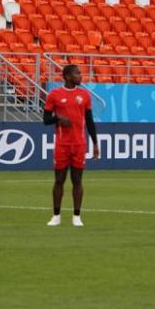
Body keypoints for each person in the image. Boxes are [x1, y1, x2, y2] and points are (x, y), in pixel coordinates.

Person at [43, 64, 99, 227]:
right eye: (77, 74)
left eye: (80, 73)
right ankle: (56, 215)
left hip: (79, 144)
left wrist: (95, 143)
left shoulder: (85, 95)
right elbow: (46, 119)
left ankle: (76, 216)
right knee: (59, 180)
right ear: (67, 76)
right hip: (62, 144)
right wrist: (59, 118)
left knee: (77, 180)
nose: (80, 76)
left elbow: (89, 120)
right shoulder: (54, 95)